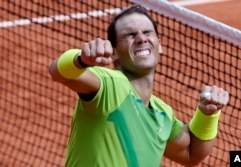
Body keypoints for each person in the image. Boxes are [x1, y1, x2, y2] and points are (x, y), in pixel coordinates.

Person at [49, 5, 229, 167]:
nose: (141, 38)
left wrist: (208, 113)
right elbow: (58, 72)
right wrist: (80, 59)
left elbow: (191, 153)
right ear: (114, 54)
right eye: (129, 35)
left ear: (160, 46)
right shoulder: (110, 85)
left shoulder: (162, 114)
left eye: (147, 32)